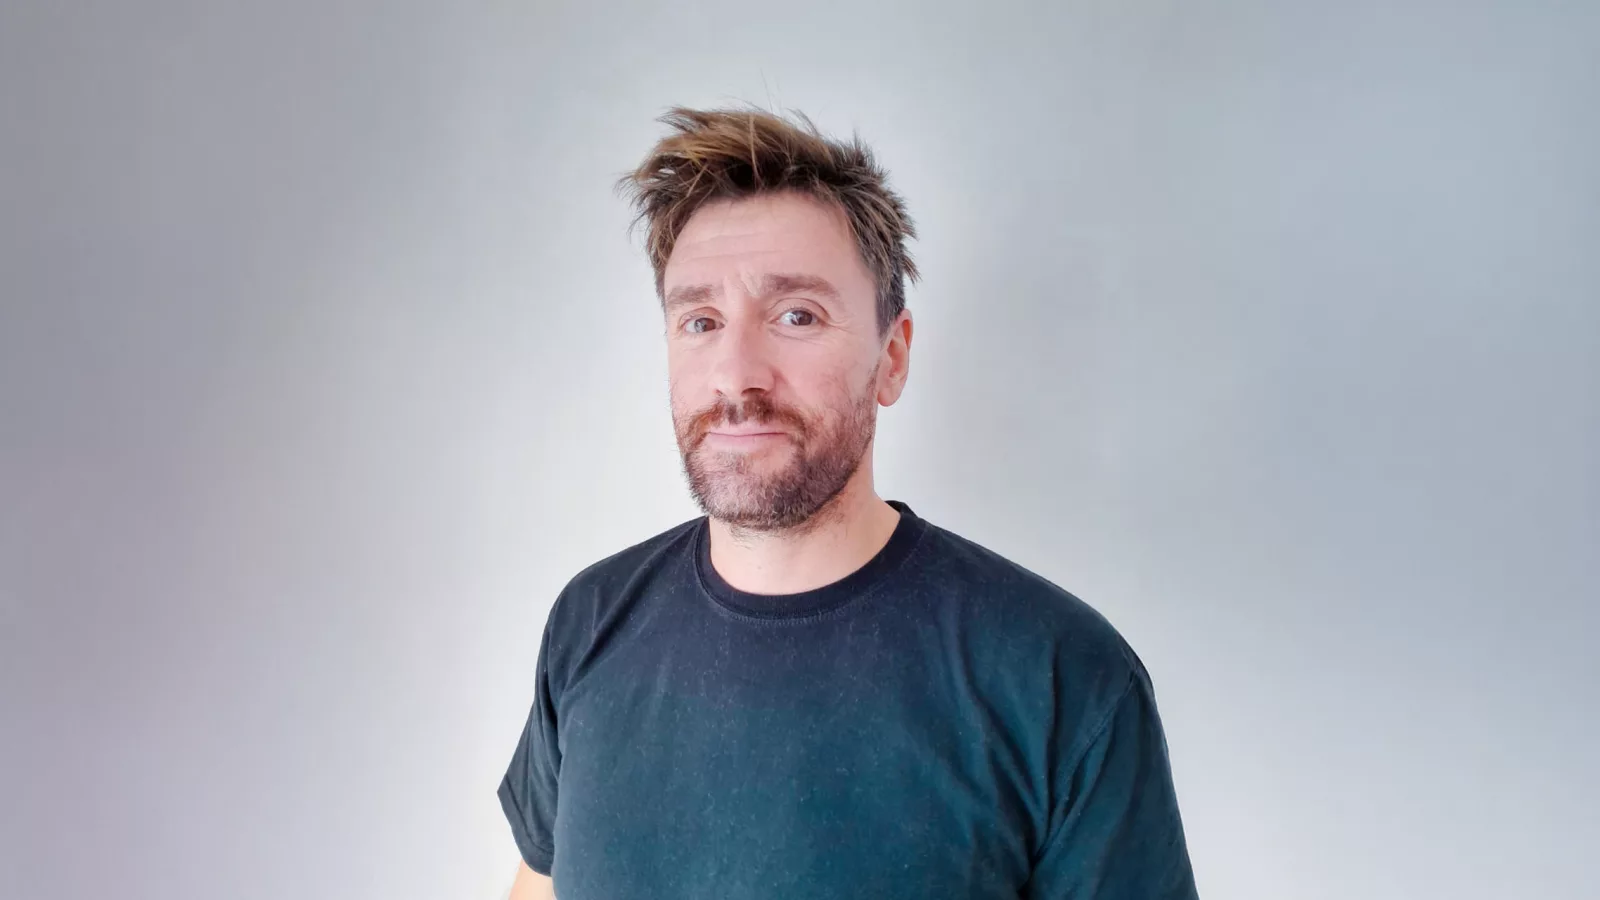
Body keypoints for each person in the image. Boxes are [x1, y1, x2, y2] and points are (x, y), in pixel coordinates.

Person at [498, 106, 1199, 900]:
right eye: (700, 320)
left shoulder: (1059, 674)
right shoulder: (589, 623)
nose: (735, 374)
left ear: (891, 358)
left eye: (796, 315)